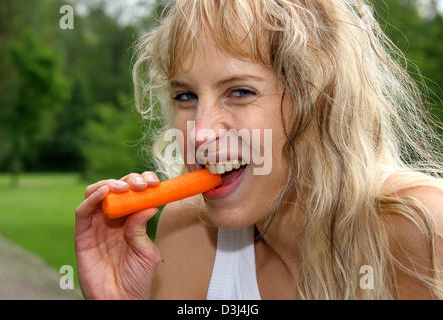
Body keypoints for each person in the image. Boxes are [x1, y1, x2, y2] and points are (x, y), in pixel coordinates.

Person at [74, 0, 443, 299]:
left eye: (239, 92)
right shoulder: (186, 228)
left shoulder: (419, 228)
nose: (200, 133)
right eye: (185, 95)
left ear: (320, 100)